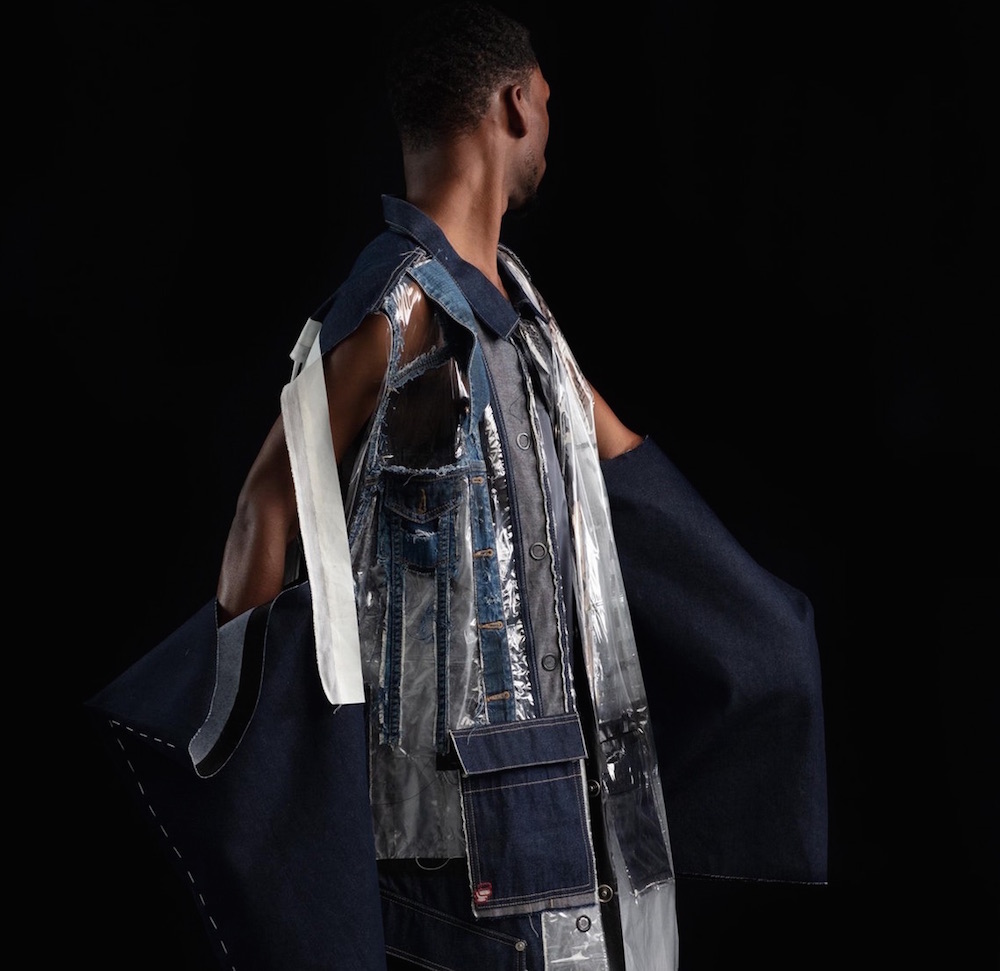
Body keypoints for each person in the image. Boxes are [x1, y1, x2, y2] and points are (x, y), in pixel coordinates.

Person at [87, 4, 827, 970]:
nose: (549, 127)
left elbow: (622, 468)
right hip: (454, 858)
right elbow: (268, 502)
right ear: (515, 105)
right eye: (548, 103)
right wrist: (261, 767)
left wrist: (762, 640)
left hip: (566, 822)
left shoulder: (527, 316)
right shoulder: (395, 300)